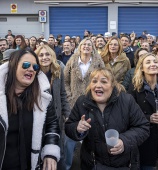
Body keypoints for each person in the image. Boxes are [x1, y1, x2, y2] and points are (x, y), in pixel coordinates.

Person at [65, 67, 150, 170]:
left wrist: (124, 141)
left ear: (112, 85)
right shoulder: (82, 102)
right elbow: (69, 126)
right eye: (94, 81)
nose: (98, 85)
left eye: (104, 81)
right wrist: (77, 129)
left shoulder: (127, 101)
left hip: (124, 164)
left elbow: (143, 127)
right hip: (92, 165)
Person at [0, 49, 60, 170]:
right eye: (26, 64)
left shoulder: (43, 97)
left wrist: (50, 151)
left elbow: (52, 123)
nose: (31, 69)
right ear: (13, 65)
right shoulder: (2, 96)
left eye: (35, 66)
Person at [64, 37, 105, 170]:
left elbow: (105, 78)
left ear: (92, 48)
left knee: (92, 134)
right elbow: (65, 80)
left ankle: (92, 164)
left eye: (89, 44)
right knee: (70, 137)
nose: (86, 46)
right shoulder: (73, 61)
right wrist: (69, 95)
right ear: (79, 47)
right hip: (73, 103)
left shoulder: (98, 61)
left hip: (92, 103)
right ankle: (67, 166)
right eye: (84, 44)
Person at [128, 53, 158, 170]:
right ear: (141, 68)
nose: (153, 64)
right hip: (145, 141)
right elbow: (129, 114)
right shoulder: (134, 88)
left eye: (155, 62)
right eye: (148, 62)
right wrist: (149, 118)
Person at [35, 45, 70, 170]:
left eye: (47, 54)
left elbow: (62, 94)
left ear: (52, 55)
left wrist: (68, 115)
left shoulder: (58, 70)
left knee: (57, 150)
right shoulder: (34, 74)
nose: (45, 57)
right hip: (39, 119)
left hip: (57, 118)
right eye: (41, 55)